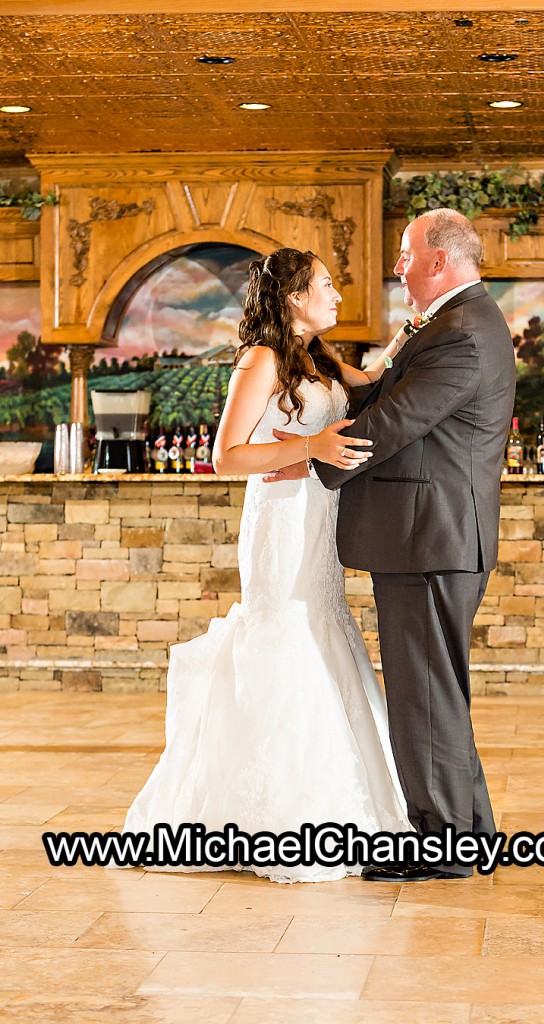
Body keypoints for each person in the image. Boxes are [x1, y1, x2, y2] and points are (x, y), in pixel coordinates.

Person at [121, 247, 412, 883]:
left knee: (324, 626)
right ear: (294, 298)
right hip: (281, 518)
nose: (338, 295)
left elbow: (363, 384)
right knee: (286, 634)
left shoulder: (319, 357)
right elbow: (227, 455)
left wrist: (403, 341)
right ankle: (277, 816)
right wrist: (312, 446)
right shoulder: (262, 359)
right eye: (327, 285)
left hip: (320, 514)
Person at [270, 210, 516, 882]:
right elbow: (384, 393)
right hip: (428, 536)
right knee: (437, 692)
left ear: (437, 259)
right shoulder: (453, 324)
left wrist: (309, 461)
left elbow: (396, 421)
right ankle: (471, 836)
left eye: (405, 255)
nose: (398, 267)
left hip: (428, 538)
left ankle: (439, 849)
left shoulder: (461, 332)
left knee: (425, 696)